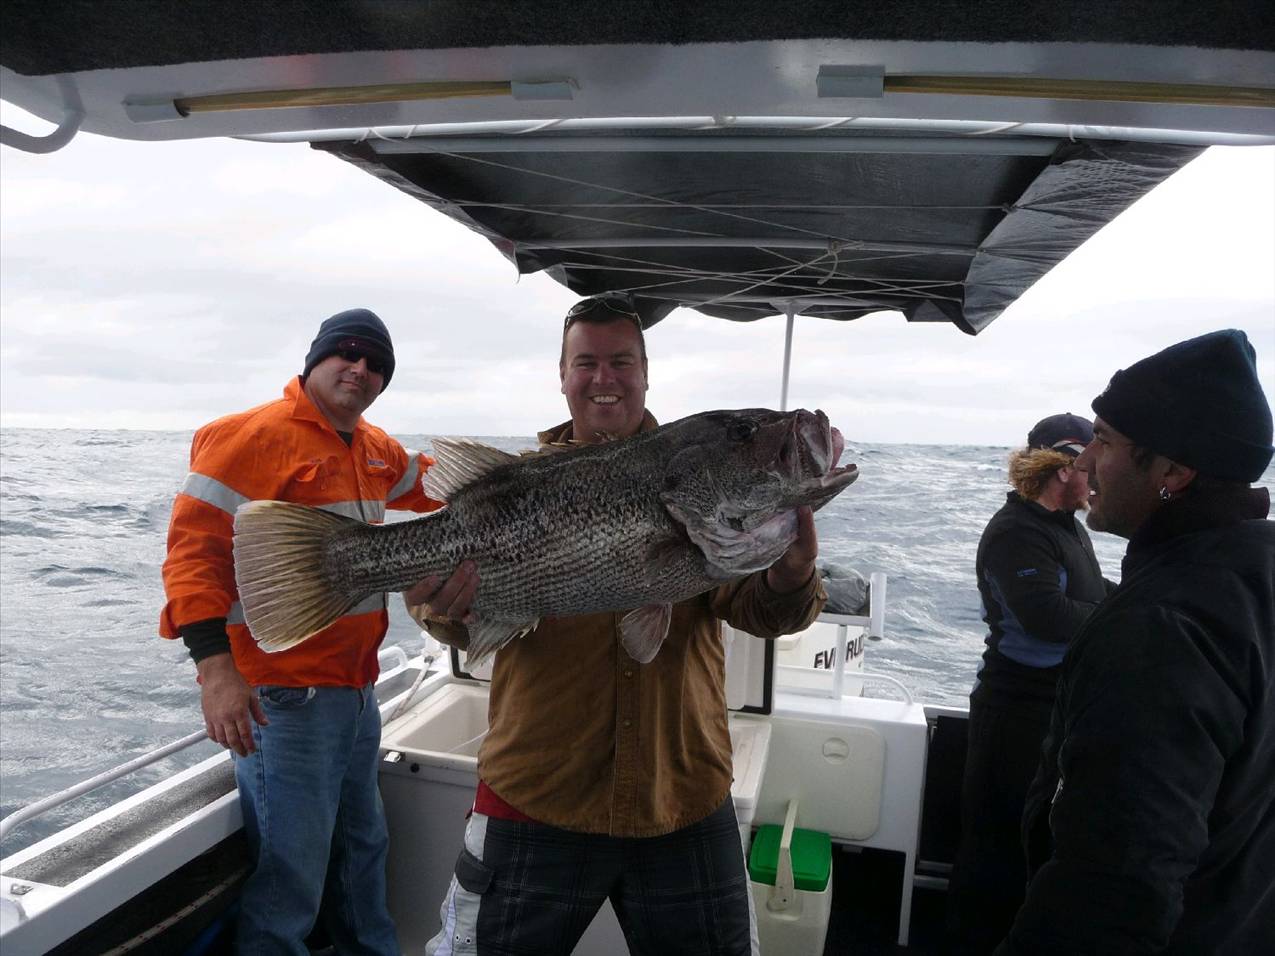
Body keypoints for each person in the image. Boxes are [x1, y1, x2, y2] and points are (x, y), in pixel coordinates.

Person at [405, 294, 828, 956]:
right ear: (563, 374)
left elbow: (761, 612)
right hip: (539, 788)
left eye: (621, 361)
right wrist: (442, 607)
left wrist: (792, 573)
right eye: (587, 362)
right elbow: (448, 623)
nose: (604, 378)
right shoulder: (515, 483)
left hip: (679, 793)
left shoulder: (698, 479)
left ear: (645, 371)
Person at [160, 308, 444, 955]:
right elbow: (190, 559)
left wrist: (521, 482)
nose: (360, 369)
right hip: (283, 699)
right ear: (314, 361)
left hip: (355, 693)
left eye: (375, 364)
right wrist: (216, 672)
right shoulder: (250, 437)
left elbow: (430, 485)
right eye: (346, 354)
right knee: (292, 878)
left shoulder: (373, 448)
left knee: (362, 851)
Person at [996, 329, 1275, 955]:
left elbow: (1115, 890)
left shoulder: (1160, 627)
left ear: (1173, 470)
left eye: (1106, 440)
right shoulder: (1255, 574)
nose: (1088, 460)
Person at [947, 412, 1115, 953]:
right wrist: (1129, 613)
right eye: (1089, 465)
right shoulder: (1016, 532)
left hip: (1056, 708)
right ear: (1063, 468)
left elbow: (1088, 591)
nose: (1096, 477)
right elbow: (1047, 616)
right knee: (995, 849)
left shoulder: (1063, 526)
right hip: (1015, 714)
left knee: (1032, 842)